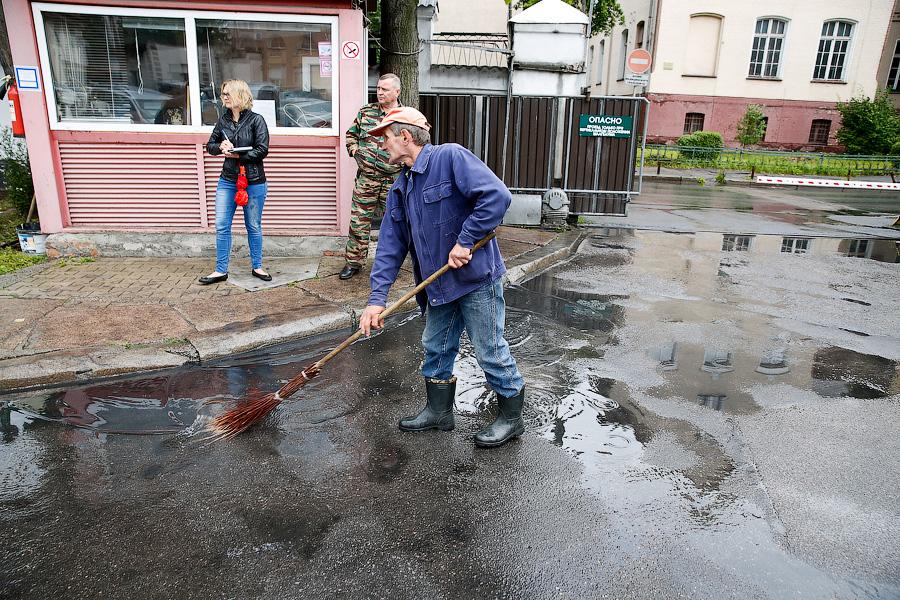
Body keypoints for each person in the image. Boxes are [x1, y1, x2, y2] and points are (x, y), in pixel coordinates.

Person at [358, 107, 526, 449]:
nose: (383, 146)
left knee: (489, 350)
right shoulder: (400, 187)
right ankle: (439, 412)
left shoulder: (450, 158)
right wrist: (377, 300)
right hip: (438, 285)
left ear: (405, 136)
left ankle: (511, 418)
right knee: (435, 347)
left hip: (476, 279)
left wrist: (465, 240)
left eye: (386, 138)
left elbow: (497, 196)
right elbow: (391, 245)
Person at [200, 79, 272, 285]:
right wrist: (220, 146)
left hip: (254, 180)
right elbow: (210, 145)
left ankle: (257, 266)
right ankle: (220, 270)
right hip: (228, 180)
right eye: (223, 93)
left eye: (227, 93)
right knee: (222, 225)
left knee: (253, 225)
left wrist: (238, 154)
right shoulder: (223, 120)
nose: (224, 97)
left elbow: (262, 149)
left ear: (240, 95)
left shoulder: (257, 120)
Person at [339, 74, 403, 280]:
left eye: (385, 89)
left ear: (397, 92)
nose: (380, 92)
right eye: (379, 88)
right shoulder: (366, 112)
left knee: (394, 224)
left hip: (393, 181)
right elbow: (351, 135)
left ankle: (390, 264)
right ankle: (354, 263)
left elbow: (416, 145)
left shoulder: (406, 116)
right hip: (366, 179)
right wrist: (356, 151)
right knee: (359, 222)